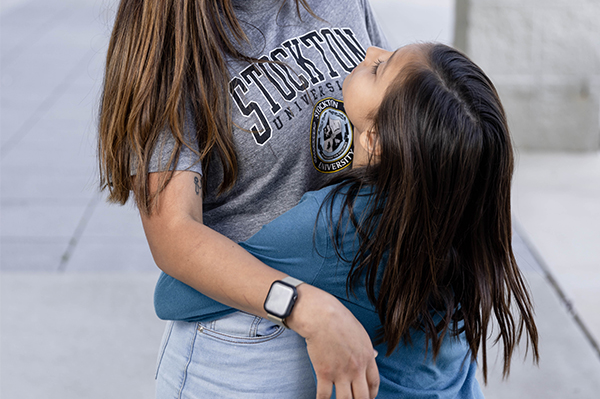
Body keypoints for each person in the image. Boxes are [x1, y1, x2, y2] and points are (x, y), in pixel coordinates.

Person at [98, 0, 386, 399]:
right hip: (245, 344)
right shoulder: (171, 45)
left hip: (359, 316)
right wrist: (304, 307)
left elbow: (398, 111)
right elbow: (174, 233)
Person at [152, 43, 540, 398]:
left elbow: (174, 292)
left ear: (376, 140)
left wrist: (302, 303)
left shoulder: (337, 227)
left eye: (379, 68)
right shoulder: (460, 210)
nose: (370, 50)